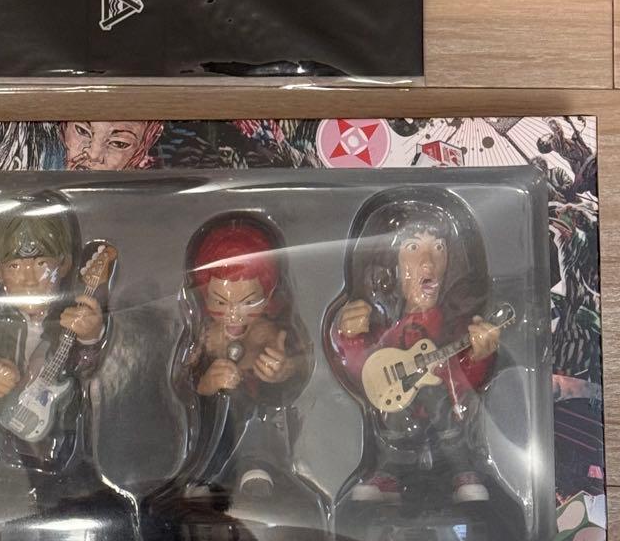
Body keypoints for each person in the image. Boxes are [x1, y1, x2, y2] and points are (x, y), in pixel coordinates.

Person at [0, 193, 133, 541]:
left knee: (93, 508)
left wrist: (92, 335)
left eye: (42, 263)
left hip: (66, 446)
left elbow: (87, 365)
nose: (30, 279)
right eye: (16, 267)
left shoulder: (67, 318)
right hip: (7, 453)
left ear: (64, 265)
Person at [326, 190, 500, 505]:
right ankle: (388, 472)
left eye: (439, 248)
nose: (428, 262)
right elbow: (365, 372)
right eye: (413, 247)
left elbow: (465, 383)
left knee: (444, 408)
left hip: (445, 417)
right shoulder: (386, 326)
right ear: (391, 261)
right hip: (397, 413)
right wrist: (349, 337)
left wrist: (478, 355)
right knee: (393, 423)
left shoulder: (452, 327)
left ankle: (462, 469)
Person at [182, 215, 313, 504]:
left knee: (261, 416)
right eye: (220, 302)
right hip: (214, 423)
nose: (234, 314)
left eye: (248, 302)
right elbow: (184, 383)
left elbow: (303, 365)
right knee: (221, 415)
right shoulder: (202, 335)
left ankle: (258, 462)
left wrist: (285, 369)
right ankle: (211, 471)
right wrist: (207, 383)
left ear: (268, 296)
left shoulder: (271, 332)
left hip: (262, 418)